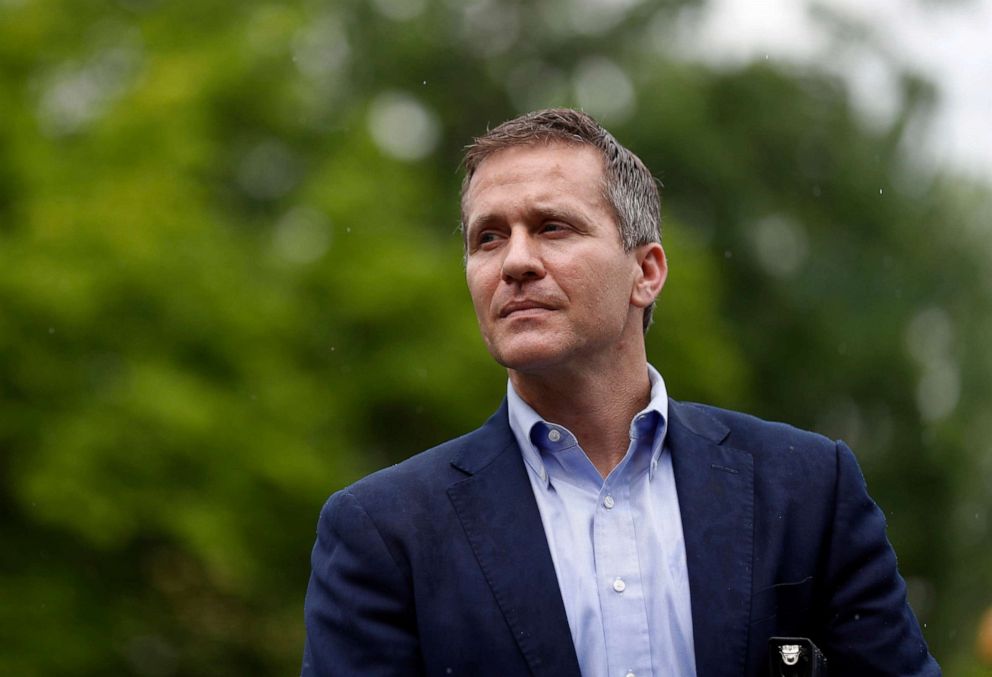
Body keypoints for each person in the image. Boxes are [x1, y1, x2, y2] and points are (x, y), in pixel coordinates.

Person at [302, 109, 940, 676]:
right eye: (487, 238)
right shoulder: (383, 532)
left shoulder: (807, 489)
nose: (514, 262)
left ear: (646, 272)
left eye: (552, 227)